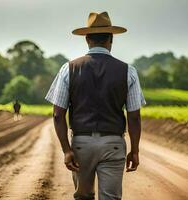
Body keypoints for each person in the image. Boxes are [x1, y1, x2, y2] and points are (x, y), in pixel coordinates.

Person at [45, 12, 146, 200]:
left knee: (83, 197)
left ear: (87, 39)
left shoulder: (69, 68)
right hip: (113, 144)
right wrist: (135, 150)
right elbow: (134, 117)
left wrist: (67, 150)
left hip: (81, 145)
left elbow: (58, 115)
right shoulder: (128, 71)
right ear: (111, 39)